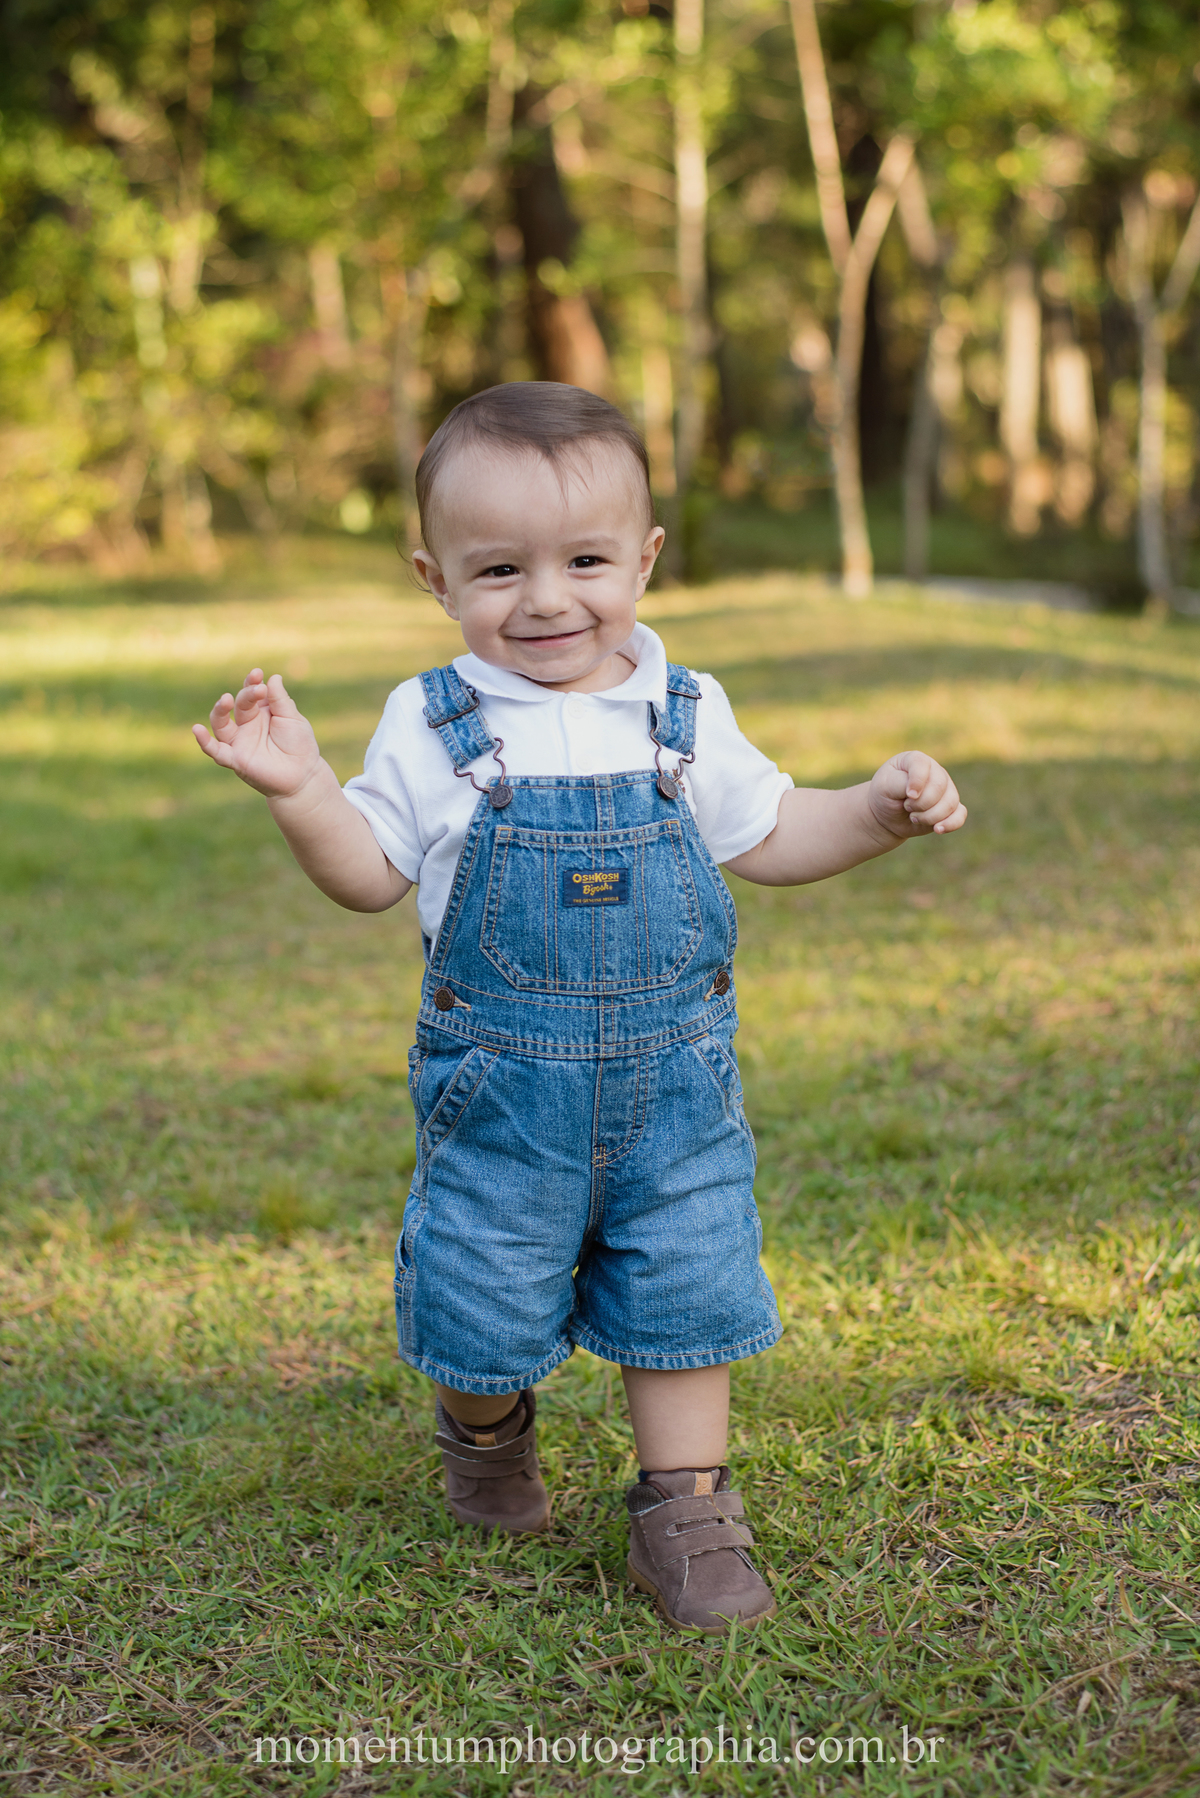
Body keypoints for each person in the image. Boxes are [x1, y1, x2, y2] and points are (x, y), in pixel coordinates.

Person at [194, 382, 966, 1636]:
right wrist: (300, 790)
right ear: (436, 579)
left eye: (586, 561)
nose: (547, 599)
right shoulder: (430, 722)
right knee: (481, 1299)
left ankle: (688, 1509)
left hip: (677, 1095)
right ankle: (485, 1426)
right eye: (500, 568)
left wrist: (876, 812)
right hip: (503, 1095)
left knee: (689, 1282)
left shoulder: (683, 711)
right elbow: (370, 875)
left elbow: (773, 832)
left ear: (645, 560)